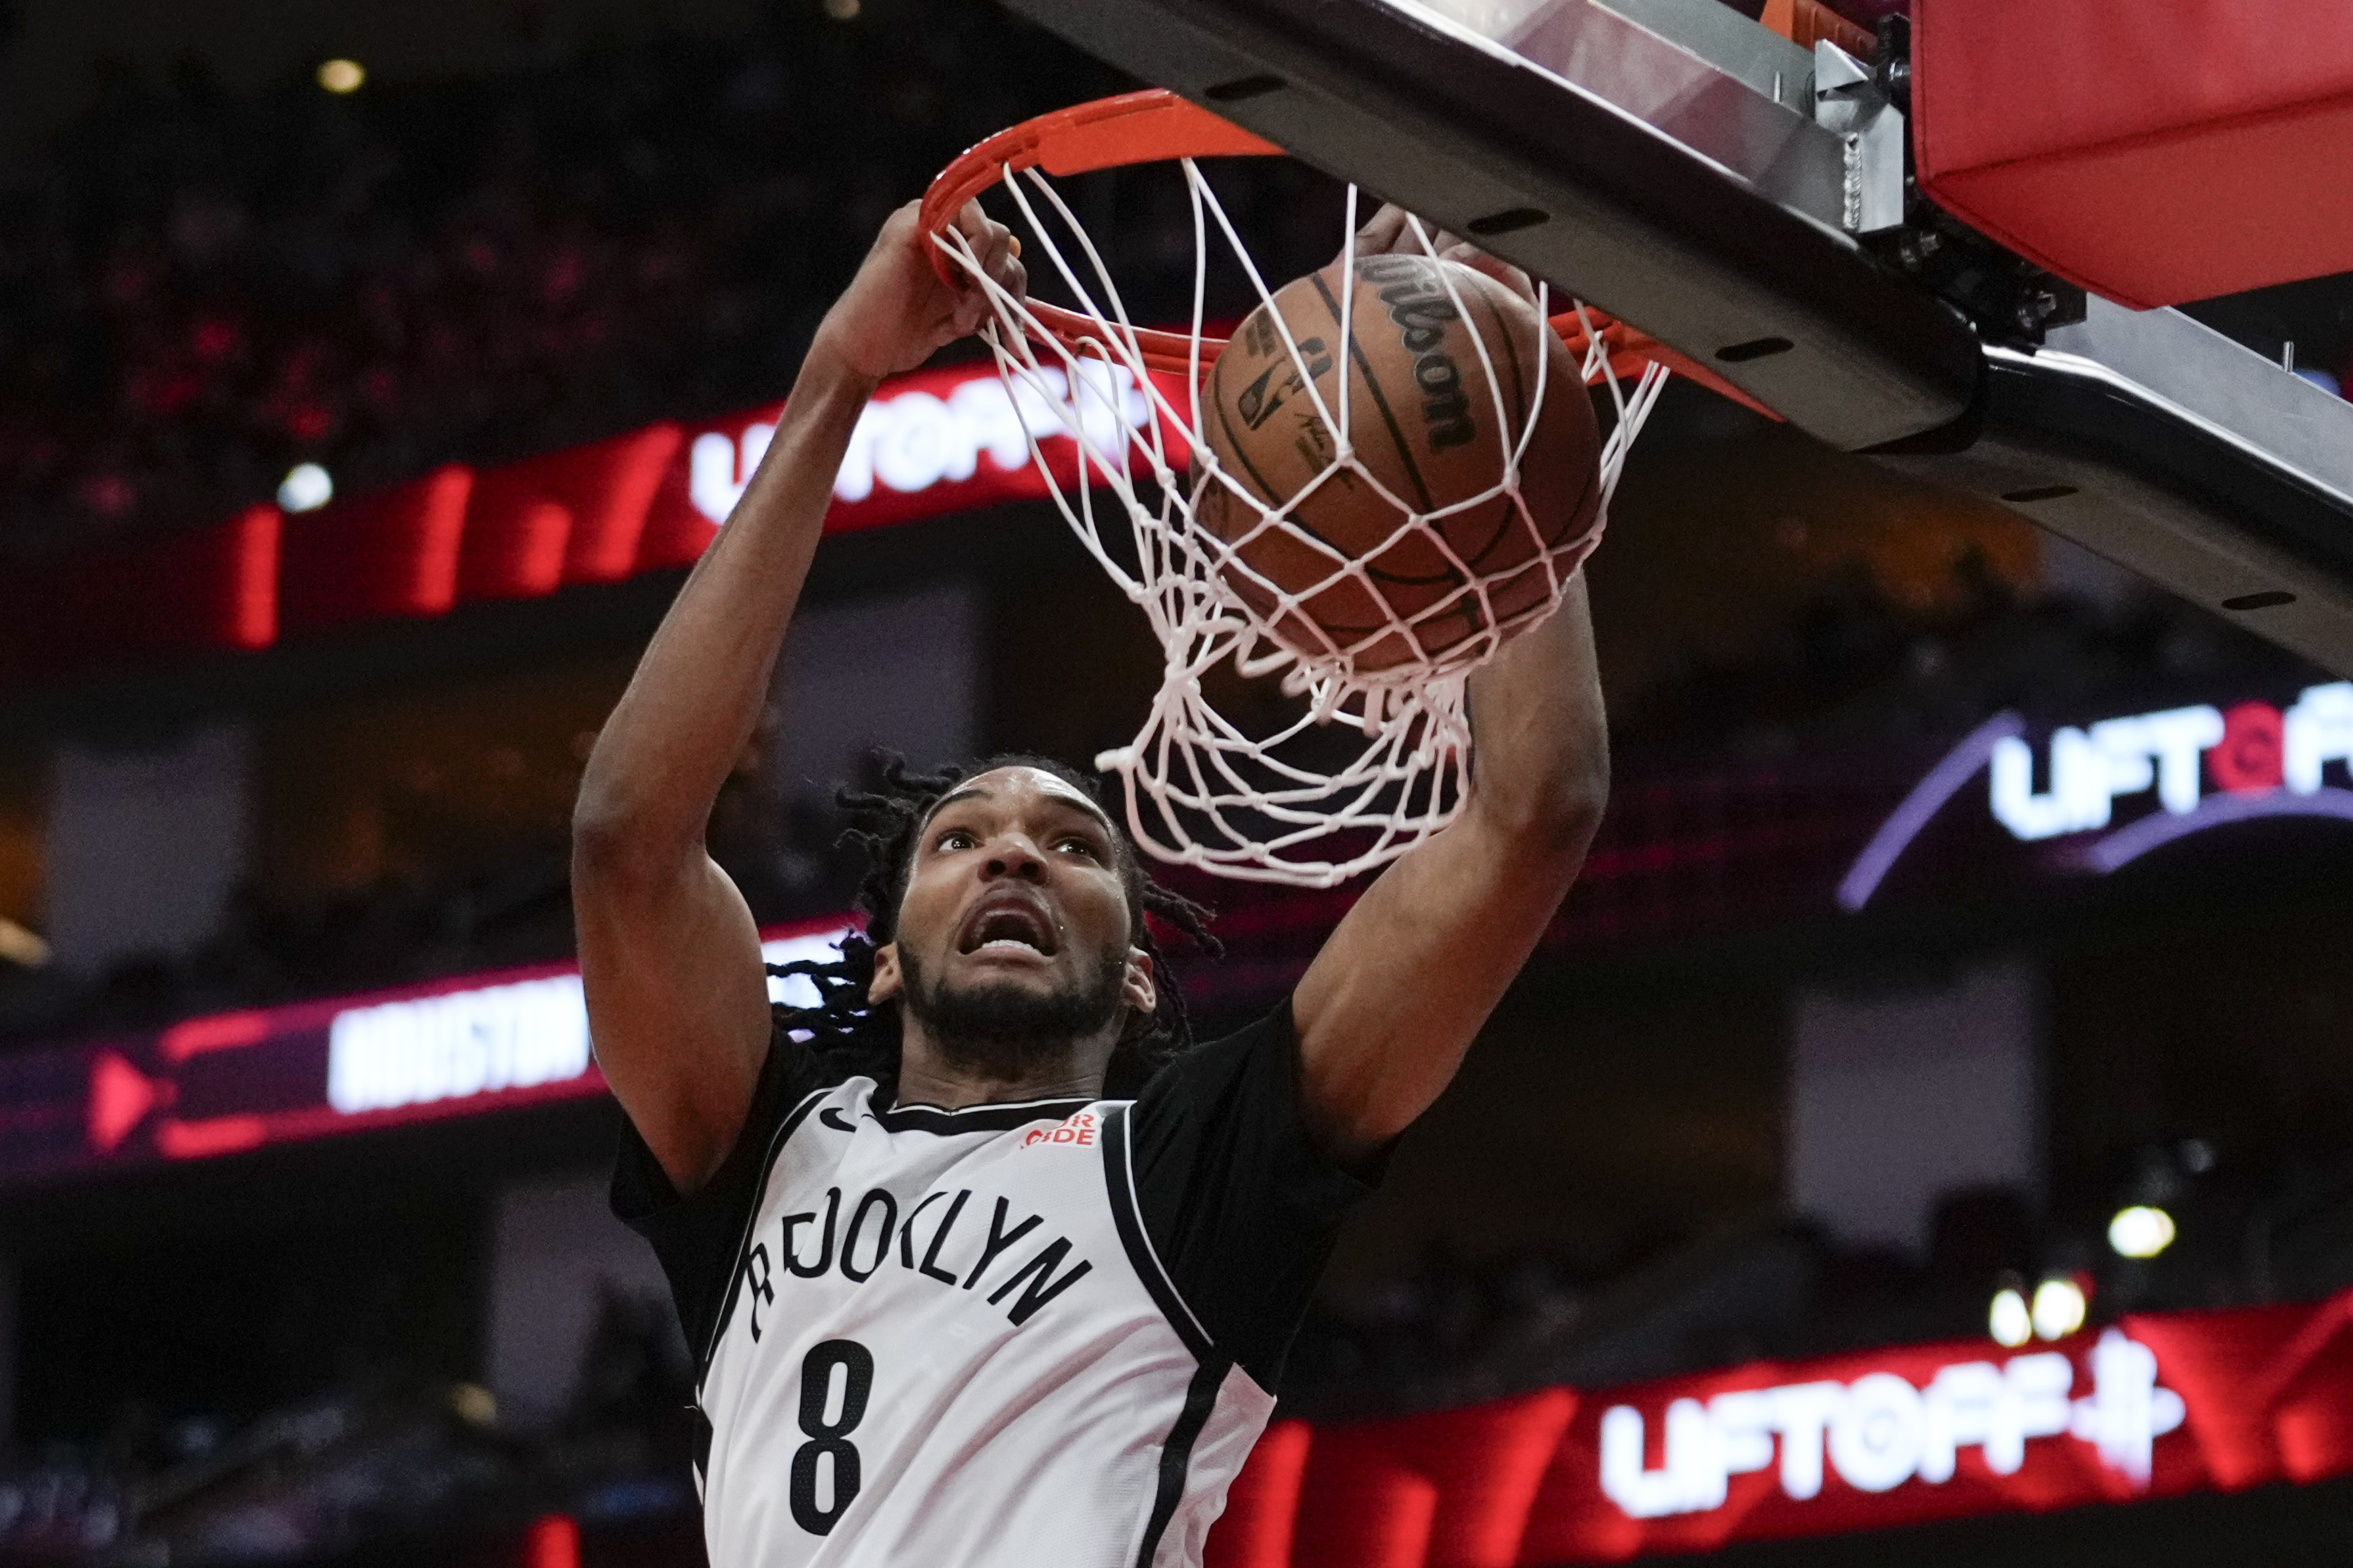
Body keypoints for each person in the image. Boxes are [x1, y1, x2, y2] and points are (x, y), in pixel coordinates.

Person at [572, 197, 1611, 1568]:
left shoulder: (1195, 1169)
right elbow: (629, 839)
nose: (1012, 848)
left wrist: (1500, 427)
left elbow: (1533, 813)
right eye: (961, 838)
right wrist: (838, 374)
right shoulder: (762, 1154)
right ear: (885, 956)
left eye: (1073, 844)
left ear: (1133, 965)